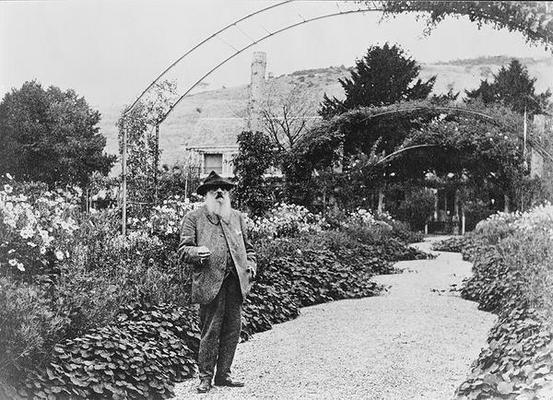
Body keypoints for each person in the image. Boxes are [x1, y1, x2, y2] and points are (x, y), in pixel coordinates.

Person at [178, 171, 257, 393]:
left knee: (233, 330)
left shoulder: (237, 217)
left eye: (224, 189)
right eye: (215, 190)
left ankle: (224, 374)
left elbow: (250, 250)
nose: (220, 193)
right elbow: (183, 250)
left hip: (235, 283)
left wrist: (250, 268)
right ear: (206, 194)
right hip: (210, 282)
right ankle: (205, 377)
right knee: (210, 331)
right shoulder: (194, 218)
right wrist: (196, 253)